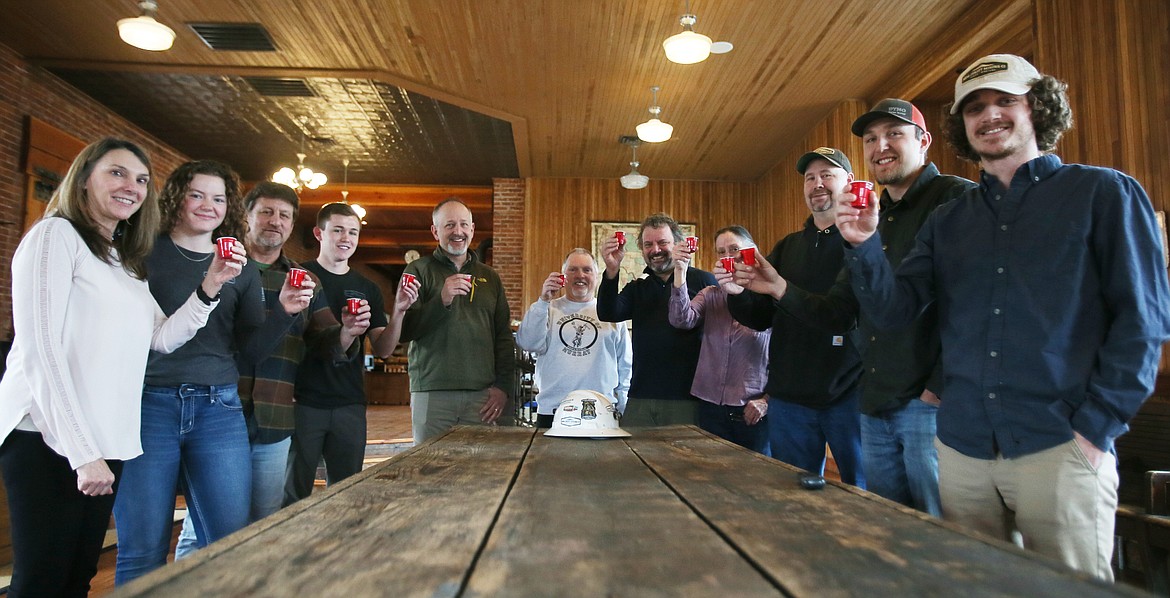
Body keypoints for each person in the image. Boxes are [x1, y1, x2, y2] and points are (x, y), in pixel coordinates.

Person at [836, 54, 1170, 580]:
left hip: (1061, 446)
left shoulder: (1103, 193)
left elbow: (1143, 322)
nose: (989, 115)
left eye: (1004, 101)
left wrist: (1096, 430)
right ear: (962, 127)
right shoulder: (950, 219)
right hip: (962, 450)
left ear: (1038, 107)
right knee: (973, 588)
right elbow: (895, 311)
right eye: (974, 108)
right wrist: (863, 245)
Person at [0, 139, 222, 596]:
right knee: (41, 580)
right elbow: (39, 349)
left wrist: (210, 285)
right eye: (117, 173)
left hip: (104, 443)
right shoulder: (54, 236)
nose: (132, 187)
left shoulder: (122, 261)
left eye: (141, 180)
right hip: (47, 438)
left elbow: (160, 337)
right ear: (84, 178)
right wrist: (81, 452)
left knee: (76, 575)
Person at [758, 100, 976, 514]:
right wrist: (779, 287)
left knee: (940, 533)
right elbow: (842, 310)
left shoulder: (956, 198)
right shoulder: (875, 217)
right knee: (883, 525)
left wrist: (940, 386)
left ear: (923, 141)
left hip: (927, 406)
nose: (881, 146)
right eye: (872, 138)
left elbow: (978, 301)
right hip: (875, 403)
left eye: (894, 133)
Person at [113, 160, 308, 584]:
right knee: (142, 549)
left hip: (218, 409)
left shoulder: (240, 265)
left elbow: (250, 352)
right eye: (197, 194)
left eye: (218, 198)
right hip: (149, 405)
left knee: (228, 543)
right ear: (176, 198)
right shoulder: (142, 252)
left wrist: (284, 311)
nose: (208, 205)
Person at [172, 182, 360, 556]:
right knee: (201, 532)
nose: (276, 222)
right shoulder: (218, 267)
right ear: (247, 216)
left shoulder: (306, 281)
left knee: (264, 528)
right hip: (214, 416)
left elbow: (323, 340)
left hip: (274, 420)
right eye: (267, 212)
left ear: (292, 226)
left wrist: (348, 334)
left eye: (285, 216)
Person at [727, 148, 864, 487]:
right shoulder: (788, 247)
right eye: (810, 178)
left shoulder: (863, 243)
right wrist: (736, 293)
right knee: (791, 496)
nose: (817, 184)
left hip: (849, 393)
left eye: (827, 175)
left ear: (848, 182)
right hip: (790, 399)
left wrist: (780, 287)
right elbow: (760, 317)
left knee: (862, 493)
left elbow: (841, 315)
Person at [284, 202, 417, 504]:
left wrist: (398, 312)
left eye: (353, 232)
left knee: (347, 494)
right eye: (339, 230)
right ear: (319, 233)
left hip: (349, 403)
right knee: (294, 494)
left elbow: (383, 349)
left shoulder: (366, 286)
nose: (346, 238)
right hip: (303, 401)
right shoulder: (298, 276)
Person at [399, 198, 514, 442]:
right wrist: (441, 300)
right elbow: (404, 331)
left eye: (463, 225)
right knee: (430, 469)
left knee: (480, 472)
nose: (458, 232)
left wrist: (503, 387)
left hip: (483, 396)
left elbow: (503, 336)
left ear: (472, 229)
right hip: (432, 391)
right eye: (449, 225)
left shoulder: (490, 277)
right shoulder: (417, 271)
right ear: (435, 231)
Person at [597, 213, 718, 426]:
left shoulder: (703, 280)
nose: (655, 250)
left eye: (662, 242)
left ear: (679, 244)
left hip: (688, 398)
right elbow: (608, 313)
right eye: (648, 244)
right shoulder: (638, 286)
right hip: (641, 396)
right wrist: (611, 270)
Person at [669, 226, 771, 453]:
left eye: (734, 249)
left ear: (752, 252)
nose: (728, 257)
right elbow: (680, 320)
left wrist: (766, 401)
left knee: (755, 478)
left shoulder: (769, 300)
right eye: (721, 251)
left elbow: (786, 356)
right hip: (710, 407)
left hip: (752, 410)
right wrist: (680, 272)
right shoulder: (710, 294)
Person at [515, 248, 631, 428]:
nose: (580, 275)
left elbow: (625, 367)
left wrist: (624, 407)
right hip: (552, 411)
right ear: (563, 276)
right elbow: (527, 343)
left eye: (587, 270)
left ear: (596, 275)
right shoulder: (547, 309)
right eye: (573, 270)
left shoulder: (612, 314)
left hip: (602, 413)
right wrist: (543, 301)